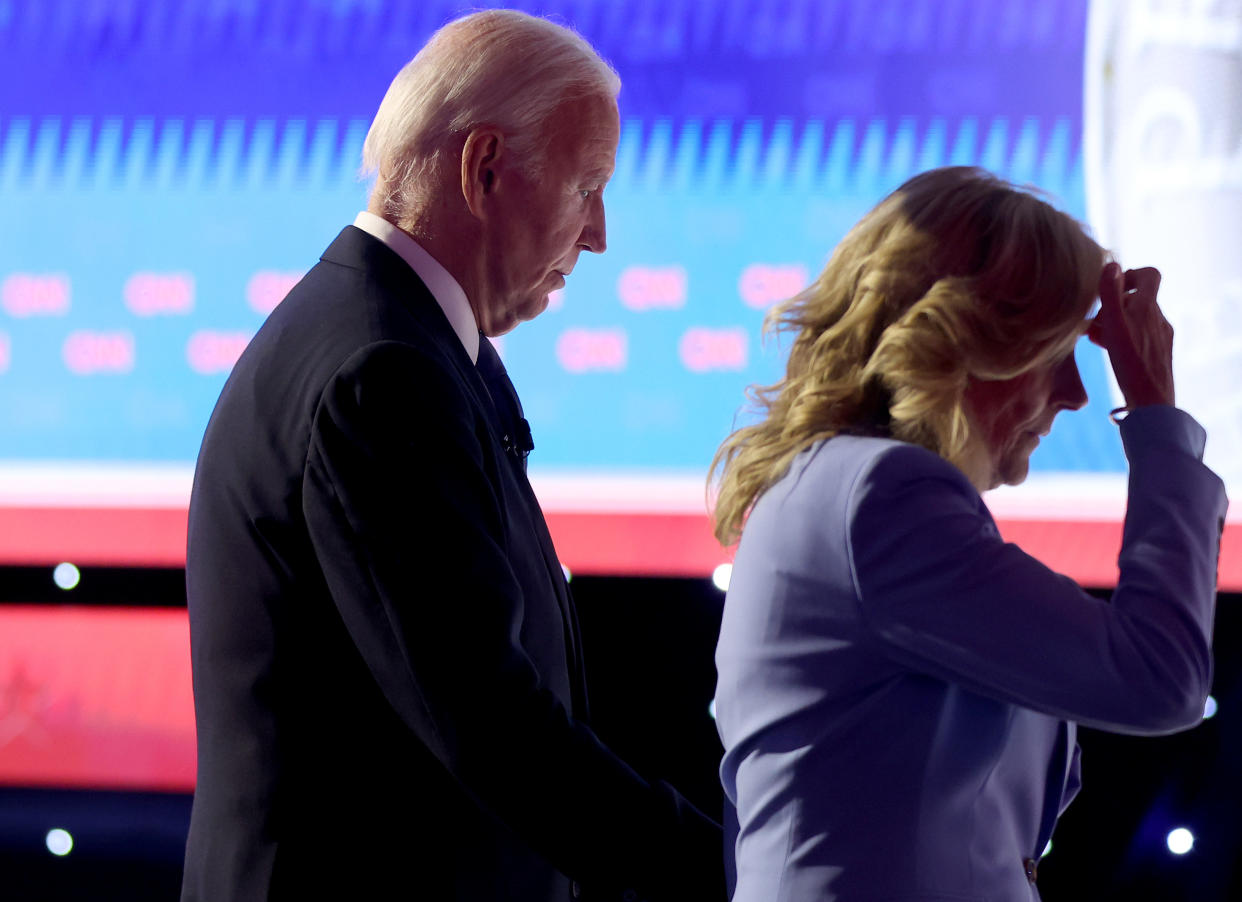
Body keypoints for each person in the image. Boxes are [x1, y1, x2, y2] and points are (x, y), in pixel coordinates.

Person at [181, 10, 722, 902]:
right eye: (587, 187)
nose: (599, 235)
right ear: (484, 168)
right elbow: (490, 727)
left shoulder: (397, 340)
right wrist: (738, 877)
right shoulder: (383, 371)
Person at [711, 166, 1227, 901]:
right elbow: (1160, 677)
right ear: (964, 339)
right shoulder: (884, 496)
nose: (1078, 395)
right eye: (1057, 352)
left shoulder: (841, 487)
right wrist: (1156, 419)